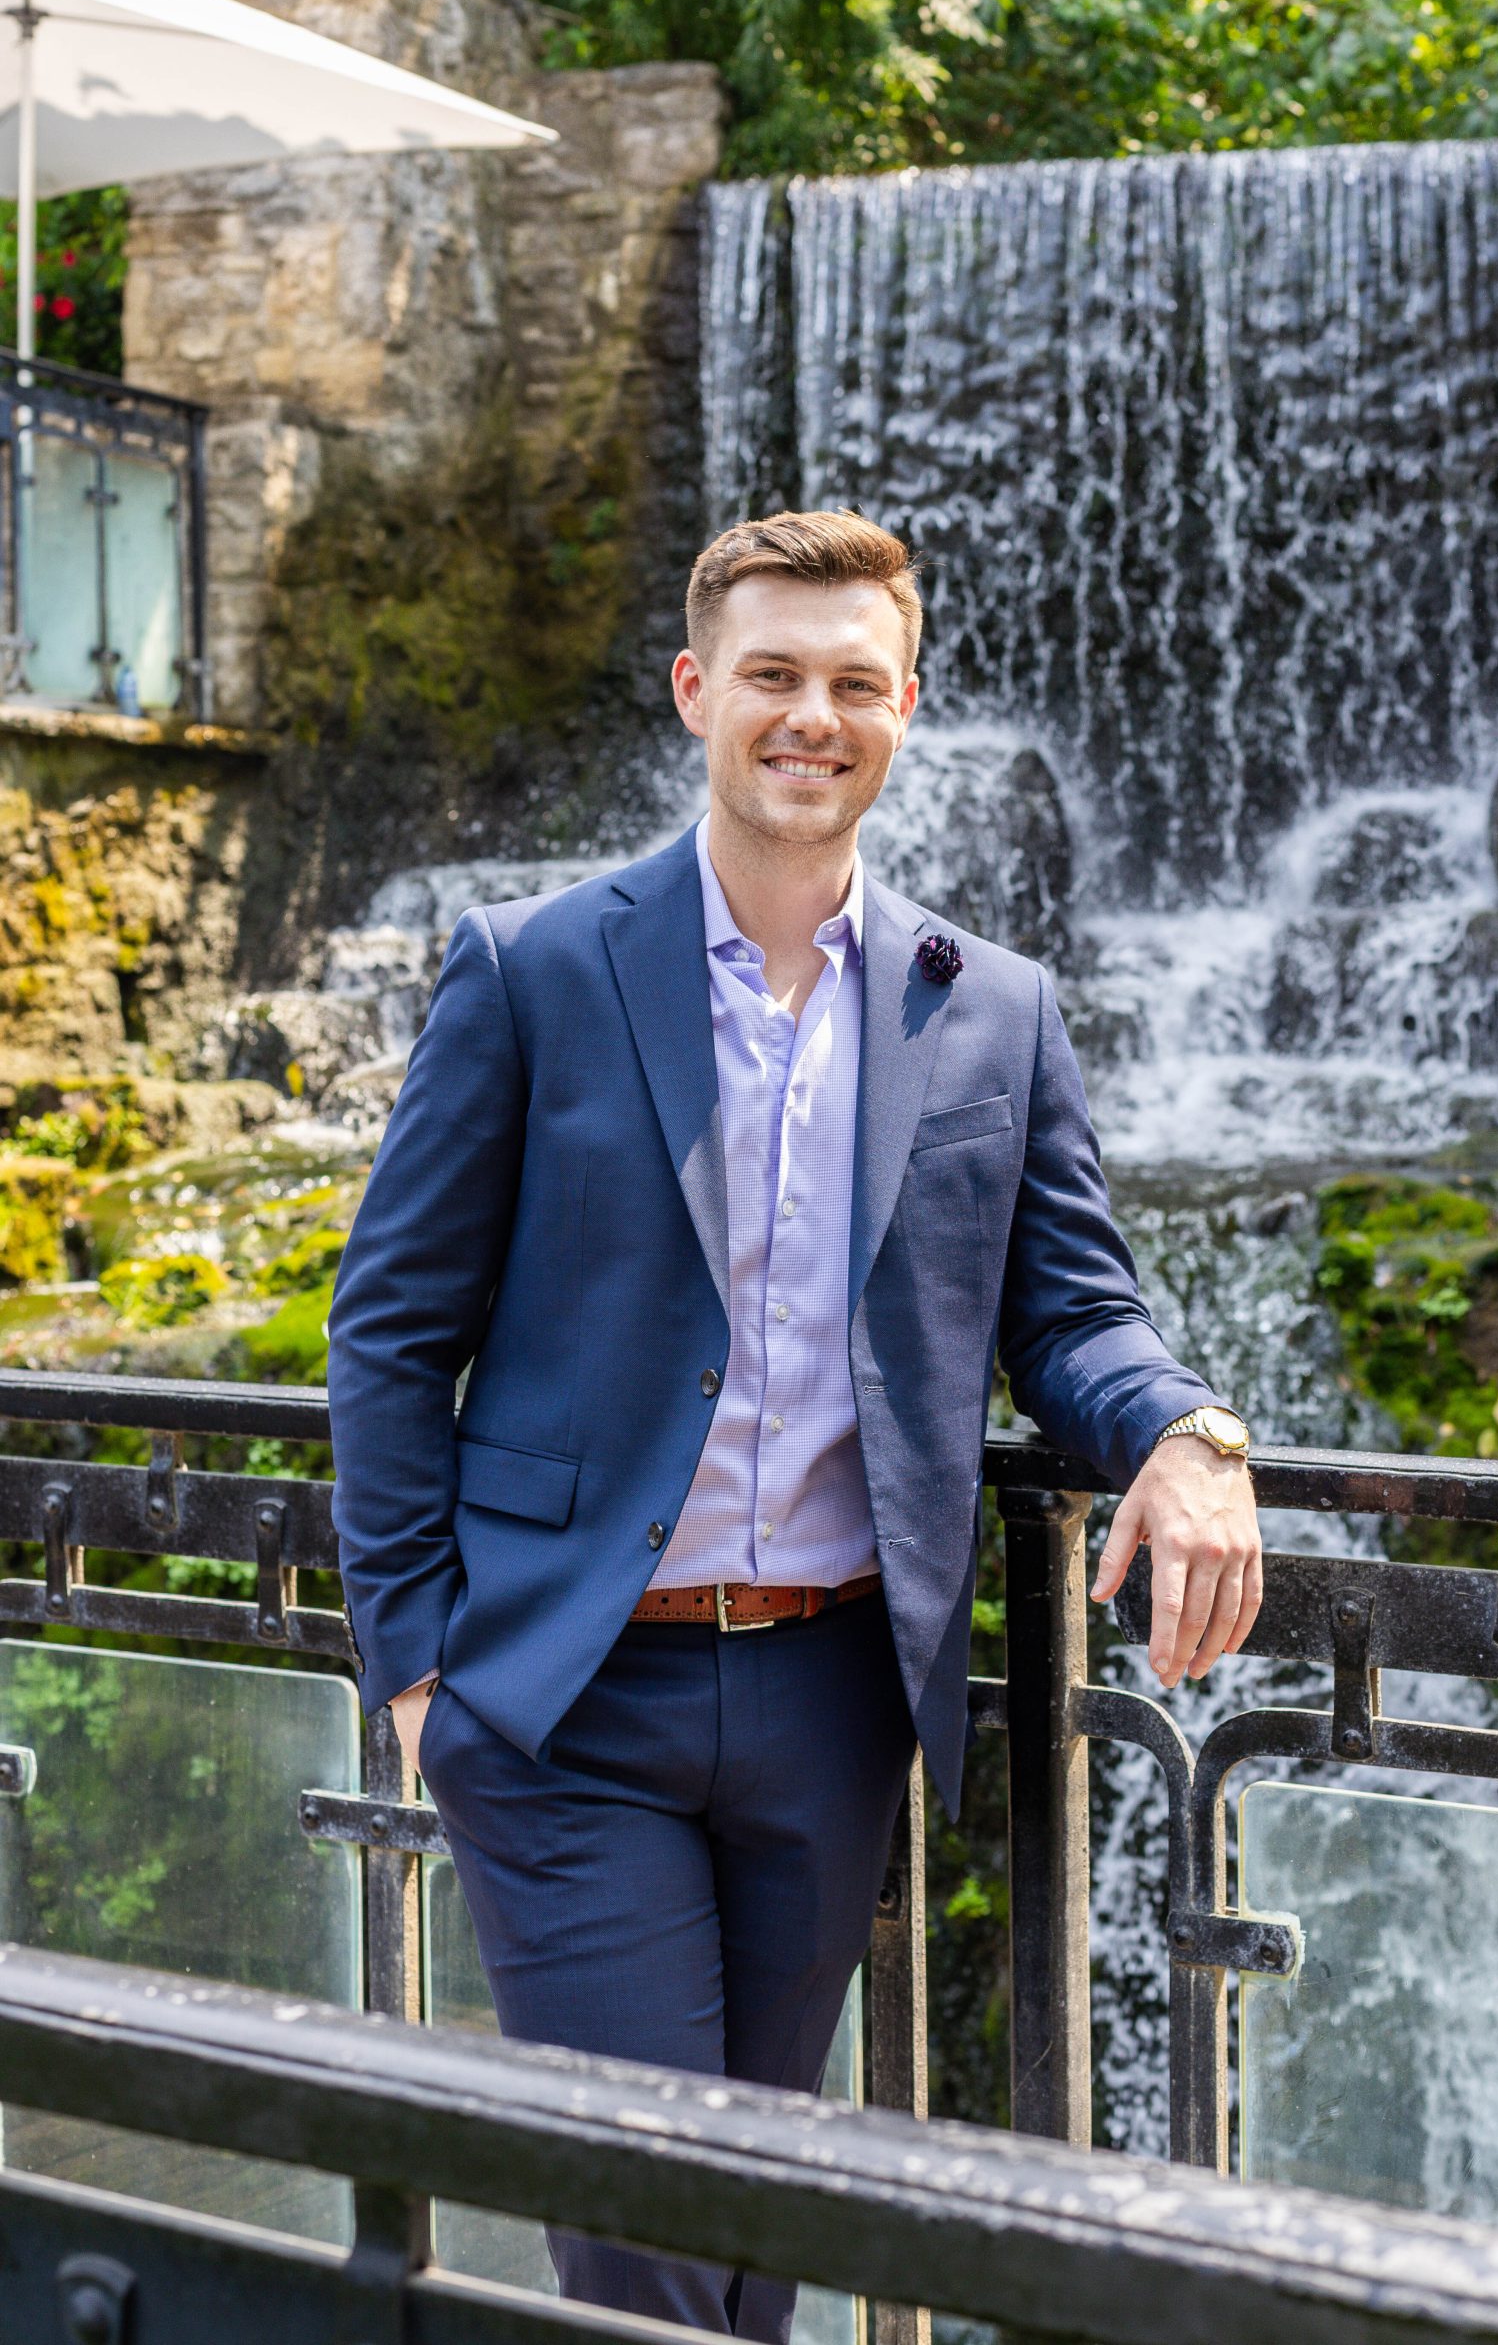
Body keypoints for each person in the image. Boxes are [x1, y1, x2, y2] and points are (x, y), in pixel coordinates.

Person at [328, 509, 1260, 2335]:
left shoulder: (995, 1011)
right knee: (643, 2234)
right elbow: (390, 1327)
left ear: (907, 708)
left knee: (760, 2242)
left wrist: (1185, 1435)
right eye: (773, 675)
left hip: (835, 1699)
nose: (811, 717)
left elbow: (1071, 1311)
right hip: (564, 1699)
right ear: (698, 691)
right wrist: (416, 1662)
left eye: (854, 682)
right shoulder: (530, 967)